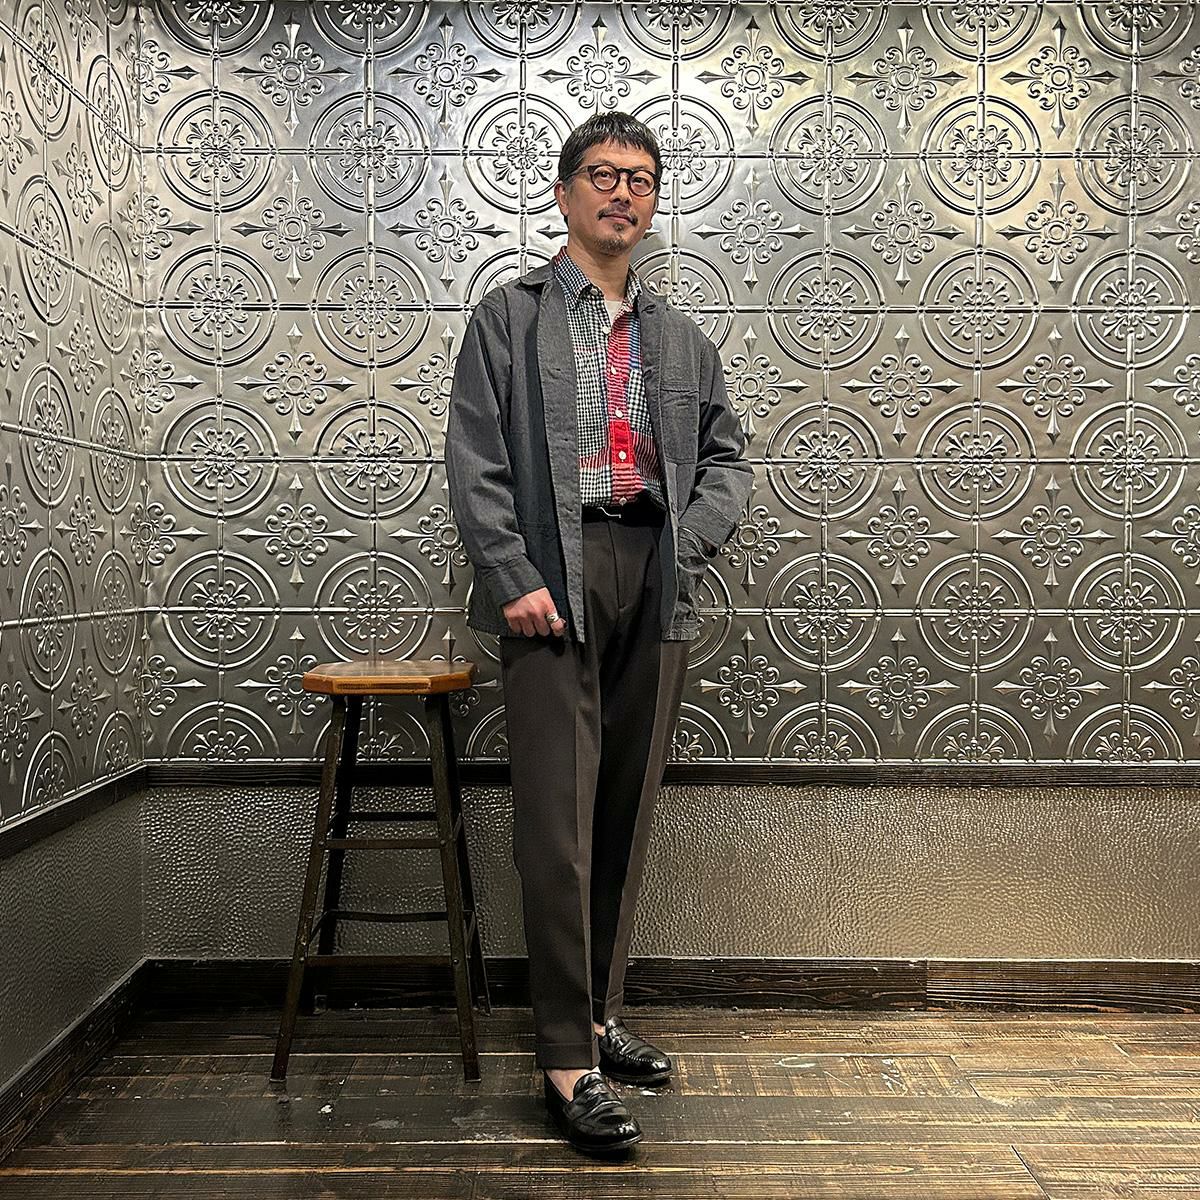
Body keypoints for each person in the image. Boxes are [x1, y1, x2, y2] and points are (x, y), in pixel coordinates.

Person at [446, 111, 752, 1155]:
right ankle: (563, 1056)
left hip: (652, 576)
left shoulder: (680, 339)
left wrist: (685, 548)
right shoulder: (509, 317)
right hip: (551, 575)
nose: (623, 192)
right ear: (565, 192)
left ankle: (600, 1013)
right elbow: (476, 457)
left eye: (642, 179)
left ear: (653, 204)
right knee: (558, 825)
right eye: (604, 174)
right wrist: (513, 574)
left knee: (622, 807)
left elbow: (726, 462)